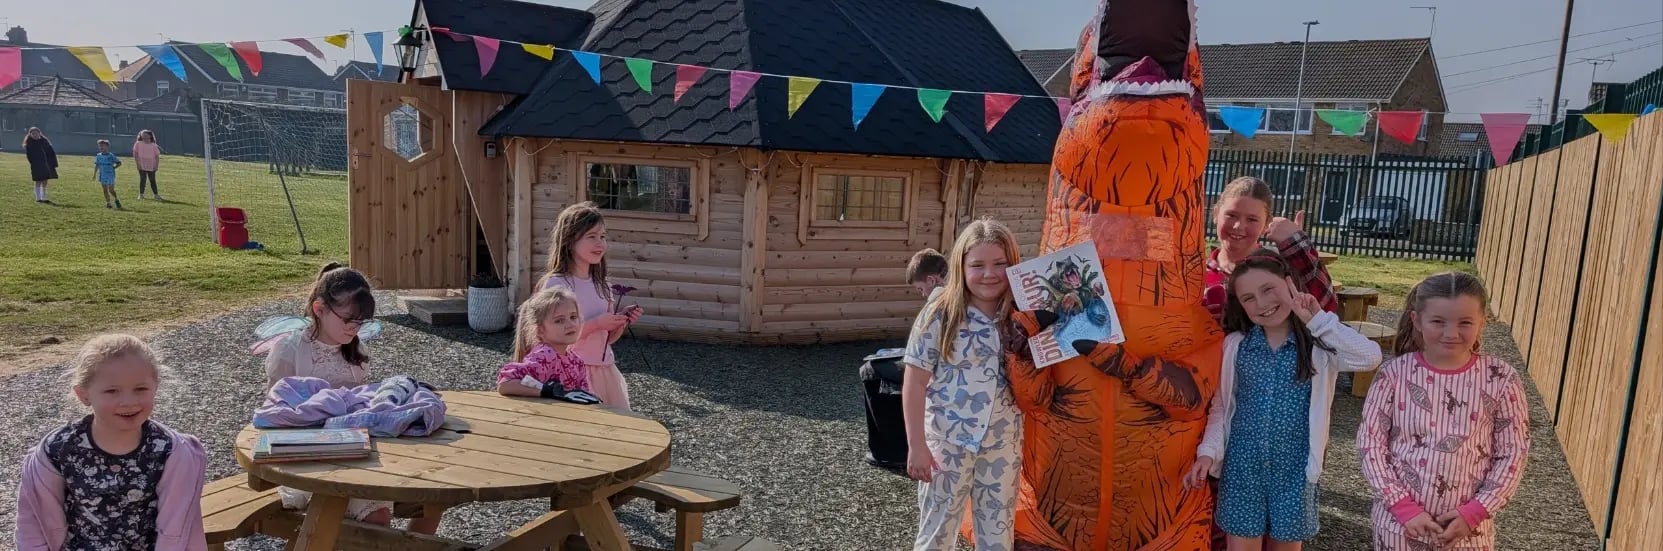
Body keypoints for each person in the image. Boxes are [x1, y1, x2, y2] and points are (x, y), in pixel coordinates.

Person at [1183, 251, 1381, 550]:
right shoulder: (1236, 346)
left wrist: (1316, 319)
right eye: (1248, 298)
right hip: (1242, 470)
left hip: (1295, 472)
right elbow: (1221, 409)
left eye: (1268, 289)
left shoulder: (1319, 346)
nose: (1262, 303)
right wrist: (1208, 452)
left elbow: (1370, 357)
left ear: (1290, 284)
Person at [261, 263, 444, 534]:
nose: (355, 328)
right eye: (349, 319)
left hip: (353, 452)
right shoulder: (289, 350)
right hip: (306, 458)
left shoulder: (357, 354)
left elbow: (364, 409)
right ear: (319, 309)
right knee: (372, 520)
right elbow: (274, 415)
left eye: (362, 321)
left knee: (430, 492)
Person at [1358, 272, 1529, 550]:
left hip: (1469, 533)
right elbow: (1371, 445)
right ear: (1417, 320)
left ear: (1482, 321)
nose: (1451, 333)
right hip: (1398, 528)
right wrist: (1402, 506)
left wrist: (1475, 511)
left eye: (1465, 322)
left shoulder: (1501, 379)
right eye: (1438, 322)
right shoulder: (1393, 375)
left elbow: (1513, 453)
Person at [15, 334, 209, 550]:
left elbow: (176, 527)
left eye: (140, 389)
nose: (128, 401)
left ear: (156, 386)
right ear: (83, 395)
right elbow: (32, 521)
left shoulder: (169, 451)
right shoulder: (58, 449)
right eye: (111, 391)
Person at [901, 218, 1024, 551]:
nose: (989, 274)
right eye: (978, 265)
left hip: (1003, 443)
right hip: (947, 443)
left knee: (997, 534)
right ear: (961, 265)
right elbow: (914, 381)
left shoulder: (1022, 314)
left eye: (1000, 264)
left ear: (1014, 264)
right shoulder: (939, 314)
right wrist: (917, 446)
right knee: (937, 534)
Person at [539, 202, 643, 411]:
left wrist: (619, 322)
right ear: (569, 241)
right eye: (591, 236)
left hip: (605, 372)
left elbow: (608, 340)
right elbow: (550, 338)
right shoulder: (556, 284)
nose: (600, 243)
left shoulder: (602, 285)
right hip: (570, 372)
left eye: (603, 236)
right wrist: (596, 324)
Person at [1207, 177, 1336, 322]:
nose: (1238, 226)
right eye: (1231, 215)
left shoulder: (1277, 270)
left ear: (1266, 224)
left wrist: (1298, 249)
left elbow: (1326, 309)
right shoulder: (1195, 273)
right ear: (1216, 214)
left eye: (1252, 219)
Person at [496, 287, 600, 404]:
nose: (570, 324)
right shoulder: (546, 355)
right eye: (559, 321)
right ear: (540, 330)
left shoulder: (576, 361)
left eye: (573, 317)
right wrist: (546, 391)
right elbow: (505, 384)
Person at [24, 127, 58, 204]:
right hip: (36, 165)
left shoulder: (44, 141)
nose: (35, 135)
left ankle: (44, 197)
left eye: (36, 133)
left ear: (39, 133)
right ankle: (38, 198)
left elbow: (51, 152)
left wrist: (53, 163)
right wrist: (34, 163)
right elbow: (29, 156)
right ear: (30, 134)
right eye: (33, 134)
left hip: (46, 164)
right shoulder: (29, 143)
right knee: (38, 180)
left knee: (45, 180)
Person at [133, 130, 164, 200]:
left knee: (152, 180)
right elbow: (135, 154)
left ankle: (156, 195)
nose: (144, 136)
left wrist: (156, 165)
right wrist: (138, 164)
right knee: (143, 179)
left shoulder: (154, 145)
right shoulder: (138, 144)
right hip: (142, 165)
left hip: (151, 165)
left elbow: (157, 156)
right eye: (143, 135)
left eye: (146, 135)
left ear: (150, 136)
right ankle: (141, 195)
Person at [94, 139, 123, 209]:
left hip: (110, 175)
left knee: (111, 190)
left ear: (107, 146)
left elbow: (119, 163)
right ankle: (108, 203)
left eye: (102, 146)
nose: (101, 147)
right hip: (102, 175)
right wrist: (94, 174)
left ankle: (116, 199)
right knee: (105, 190)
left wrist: (114, 168)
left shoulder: (111, 155)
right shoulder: (98, 156)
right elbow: (97, 165)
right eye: (100, 146)